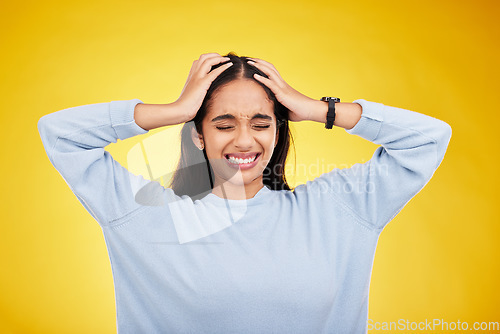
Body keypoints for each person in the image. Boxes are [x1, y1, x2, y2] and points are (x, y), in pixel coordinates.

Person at [37, 52, 452, 333]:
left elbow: (429, 139)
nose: (243, 140)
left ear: (278, 129)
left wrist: (318, 109)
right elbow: (59, 133)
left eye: (260, 123)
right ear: (198, 135)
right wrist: (177, 111)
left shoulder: (338, 210)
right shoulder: (145, 216)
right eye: (222, 124)